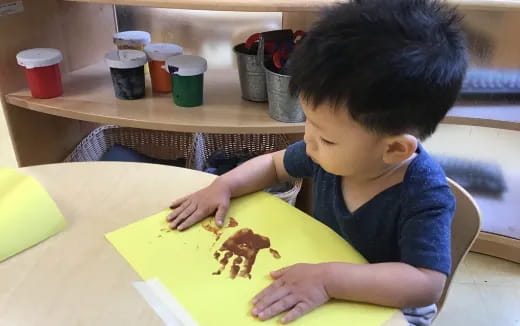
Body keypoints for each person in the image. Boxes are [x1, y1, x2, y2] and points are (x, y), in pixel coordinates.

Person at [166, 0, 468, 324]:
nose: (309, 141)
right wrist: (224, 185)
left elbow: (426, 284)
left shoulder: (424, 193)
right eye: (308, 122)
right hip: (319, 278)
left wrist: (329, 280)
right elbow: (273, 165)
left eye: (326, 138)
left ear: (394, 150)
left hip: (389, 309)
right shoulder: (327, 157)